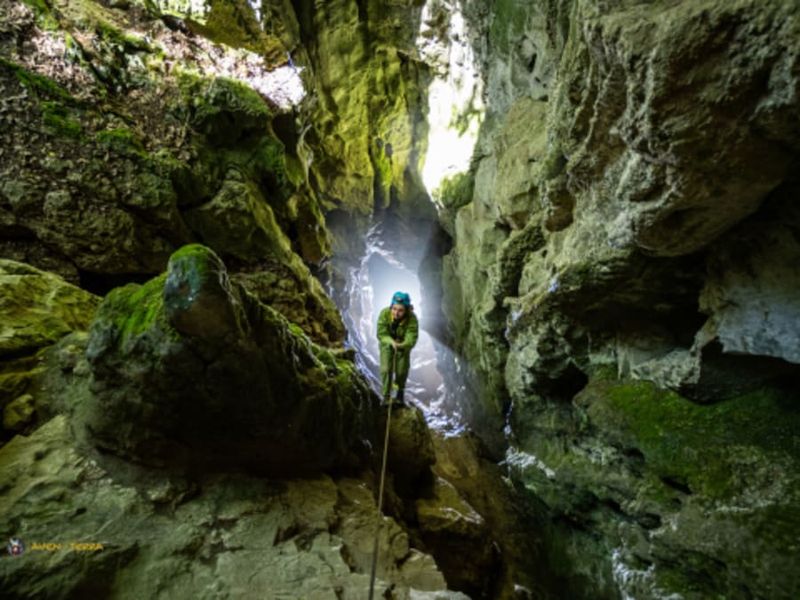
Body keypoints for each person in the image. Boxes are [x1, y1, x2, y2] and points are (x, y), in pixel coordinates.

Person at [377, 291, 419, 406]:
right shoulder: (384, 314)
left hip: (402, 347)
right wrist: (391, 342)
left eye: (400, 310)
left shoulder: (412, 319)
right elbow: (381, 334)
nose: (396, 313)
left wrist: (402, 345)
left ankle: (400, 394)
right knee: (386, 369)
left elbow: (411, 337)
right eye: (394, 309)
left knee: (401, 371)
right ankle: (386, 396)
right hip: (387, 345)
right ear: (391, 306)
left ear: (406, 310)